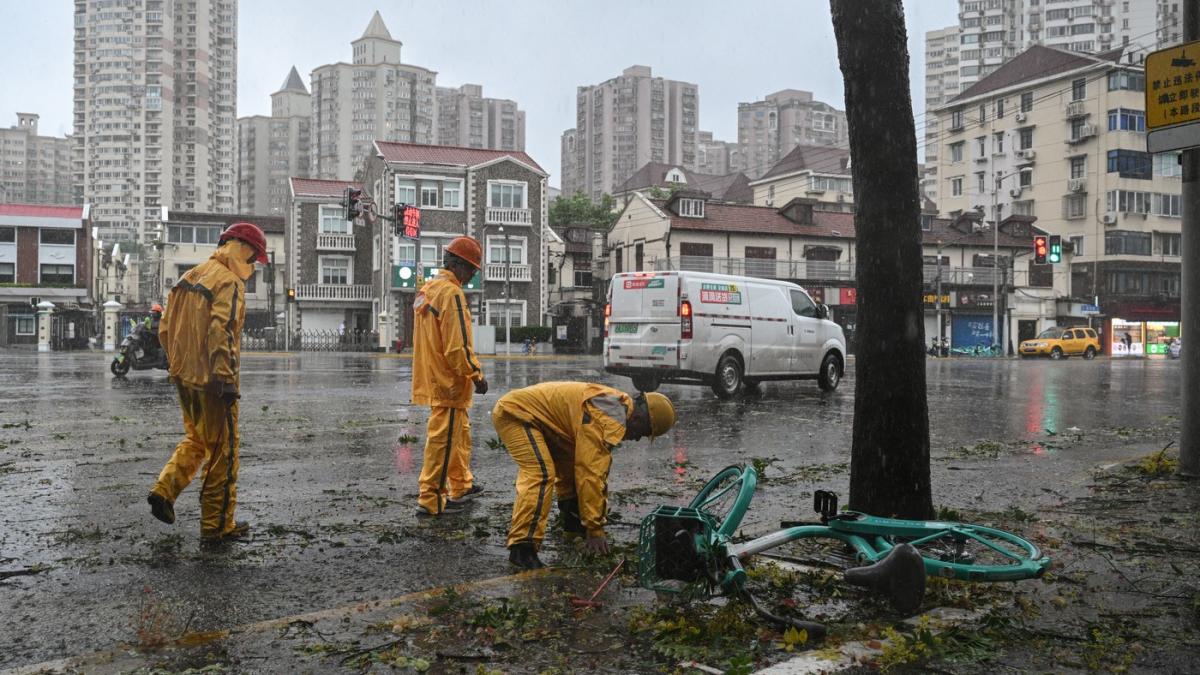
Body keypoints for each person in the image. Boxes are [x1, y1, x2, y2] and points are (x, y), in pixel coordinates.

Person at [146, 222, 269, 543]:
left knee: (198, 439)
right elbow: (222, 330)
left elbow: (165, 329)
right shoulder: (228, 281)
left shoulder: (189, 277)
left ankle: (165, 489)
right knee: (223, 453)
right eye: (254, 257)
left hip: (185, 377)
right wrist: (225, 379)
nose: (254, 264)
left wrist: (180, 363)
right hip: (214, 382)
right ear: (244, 248)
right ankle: (216, 526)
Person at [493, 382, 677, 569]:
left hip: (538, 419)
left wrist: (582, 519)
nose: (637, 438)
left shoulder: (616, 408)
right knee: (541, 474)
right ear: (638, 418)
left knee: (570, 461)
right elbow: (591, 474)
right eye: (643, 433)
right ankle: (522, 549)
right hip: (517, 414)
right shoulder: (607, 419)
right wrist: (594, 528)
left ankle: (572, 523)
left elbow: (577, 468)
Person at [411, 236, 488, 517]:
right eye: (471, 271)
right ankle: (431, 499)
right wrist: (475, 374)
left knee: (458, 436)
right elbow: (458, 345)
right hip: (449, 382)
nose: (471, 278)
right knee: (443, 443)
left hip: (434, 376)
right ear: (459, 265)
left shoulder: (428, 289)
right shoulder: (451, 294)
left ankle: (461, 485)